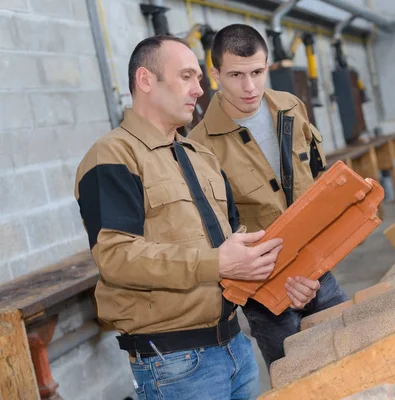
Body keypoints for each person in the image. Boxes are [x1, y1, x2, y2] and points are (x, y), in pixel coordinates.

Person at [74, 35, 318, 400]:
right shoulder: (113, 156)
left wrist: (283, 285)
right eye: (186, 76)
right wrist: (217, 262)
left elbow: (238, 248)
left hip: (236, 348)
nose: (199, 89)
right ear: (145, 81)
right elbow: (116, 258)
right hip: (175, 362)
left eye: (199, 79)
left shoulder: (200, 156)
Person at [188, 24, 349, 369]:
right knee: (299, 378)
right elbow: (217, 236)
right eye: (236, 75)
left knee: (356, 357)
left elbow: (318, 184)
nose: (250, 87)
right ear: (215, 74)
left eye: (258, 72)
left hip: (320, 270)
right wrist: (281, 283)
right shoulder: (200, 146)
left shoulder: (291, 108)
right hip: (267, 295)